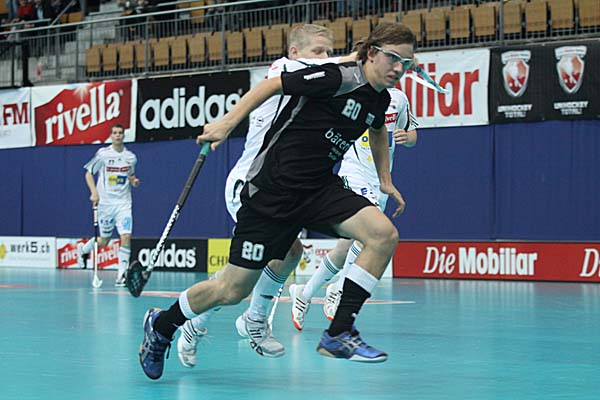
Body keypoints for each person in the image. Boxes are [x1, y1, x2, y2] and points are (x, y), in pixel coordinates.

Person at [138, 22, 416, 380]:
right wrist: (226, 124)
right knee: (231, 289)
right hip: (273, 192)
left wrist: (385, 180)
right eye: (393, 59)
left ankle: (339, 333)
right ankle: (162, 324)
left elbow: (377, 129)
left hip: (318, 189)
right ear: (373, 53)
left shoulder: (380, 97)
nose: (399, 69)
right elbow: (271, 86)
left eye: (406, 63)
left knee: (382, 234)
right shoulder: (338, 77)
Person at [176, 23, 352, 367]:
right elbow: (334, 70)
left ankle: (248, 320)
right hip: (249, 184)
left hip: (279, 186)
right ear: (295, 53)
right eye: (318, 51)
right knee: (244, 275)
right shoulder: (283, 69)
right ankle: (201, 323)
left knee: (287, 254)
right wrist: (364, 57)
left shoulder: (315, 83)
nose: (325, 58)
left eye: (328, 52)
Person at [288, 86, 418, 330]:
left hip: (380, 179)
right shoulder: (355, 92)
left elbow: (412, 135)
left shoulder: (398, 99)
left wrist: (405, 137)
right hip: (353, 172)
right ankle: (339, 289)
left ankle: (304, 293)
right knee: (368, 235)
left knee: (346, 246)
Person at [77, 124, 140, 286]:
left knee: (126, 236)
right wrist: (94, 192)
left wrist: (134, 181)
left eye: (120, 133)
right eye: (115, 133)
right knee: (104, 240)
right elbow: (88, 173)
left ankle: (121, 276)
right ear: (111, 136)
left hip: (124, 203)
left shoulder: (130, 157)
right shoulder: (103, 155)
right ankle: (83, 250)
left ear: (123, 135)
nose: (118, 135)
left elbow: (130, 174)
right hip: (105, 204)